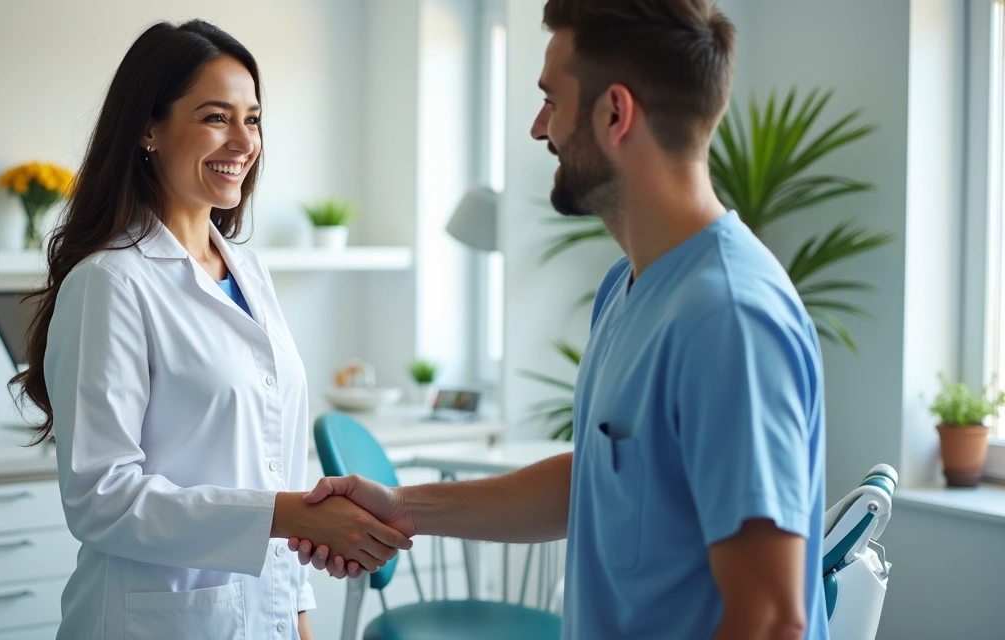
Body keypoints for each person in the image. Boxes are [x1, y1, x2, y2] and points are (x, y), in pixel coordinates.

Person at [290, 1, 827, 638]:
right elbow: (597, 481)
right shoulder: (625, 288)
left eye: (551, 101)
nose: (538, 127)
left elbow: (770, 618)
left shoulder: (729, 319)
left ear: (615, 113)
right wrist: (405, 506)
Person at [11, 20, 410, 640]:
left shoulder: (248, 270)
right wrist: (286, 517)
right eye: (216, 117)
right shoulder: (110, 283)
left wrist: (299, 617)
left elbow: (277, 473)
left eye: (253, 119)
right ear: (148, 128)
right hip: (156, 622)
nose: (244, 142)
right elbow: (100, 498)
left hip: (267, 614)